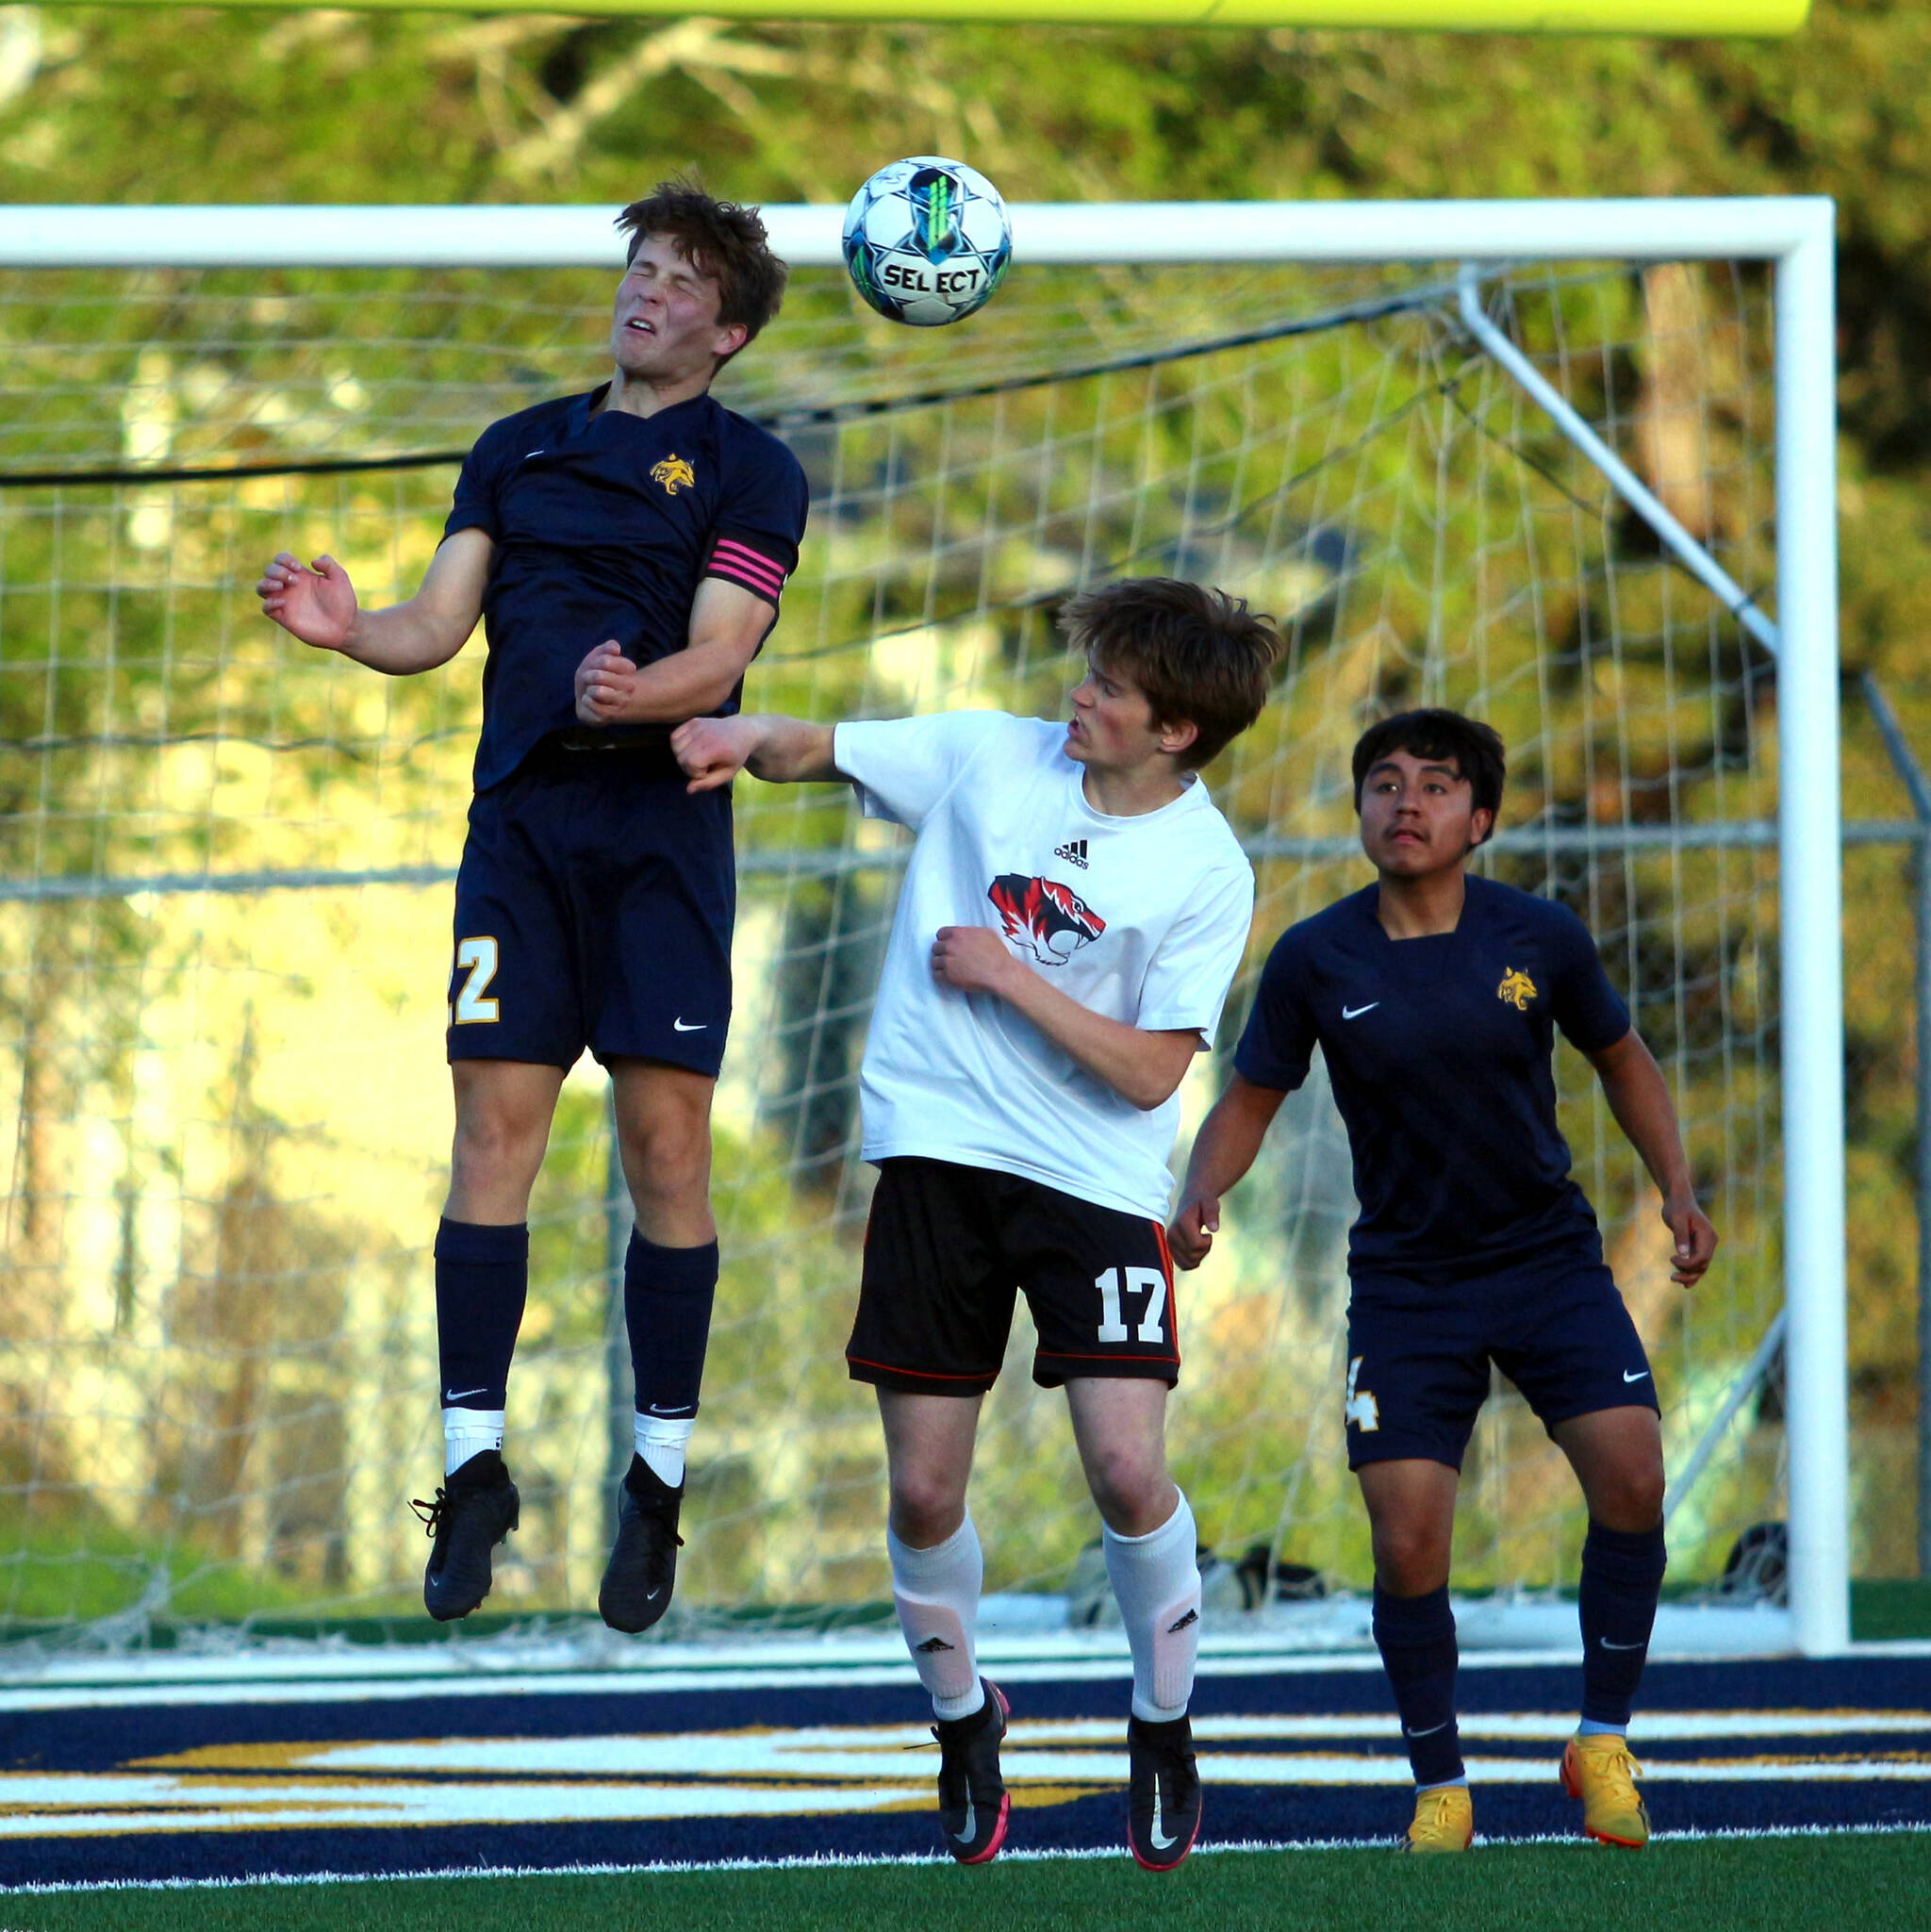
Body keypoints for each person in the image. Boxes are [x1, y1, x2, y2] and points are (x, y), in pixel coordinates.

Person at [256, 182, 808, 1632]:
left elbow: (720, 657)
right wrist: (347, 629)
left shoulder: (751, 470)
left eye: (684, 284)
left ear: (729, 332)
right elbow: (435, 629)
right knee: (490, 1133)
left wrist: (648, 692)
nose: (649, 295)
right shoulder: (517, 446)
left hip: (659, 839)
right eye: (641, 269)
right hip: (520, 833)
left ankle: (657, 1486)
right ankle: (472, 1472)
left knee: (663, 1144)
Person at [671, 578, 1279, 1870]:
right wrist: (740, 736)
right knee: (924, 1485)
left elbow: (1149, 1074)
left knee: (1123, 1469)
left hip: (1096, 1188)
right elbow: (814, 747)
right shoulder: (990, 756)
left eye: (1111, 688)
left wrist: (1005, 975)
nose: (1081, 696)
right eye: (1090, 672)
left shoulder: (1207, 867)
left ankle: (1162, 1723)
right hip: (936, 1166)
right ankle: (963, 1722)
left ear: (1175, 732)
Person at [1170, 708, 1717, 1855]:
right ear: (1360, 808)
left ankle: (1601, 1740)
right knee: (1408, 1536)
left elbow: (1620, 1057)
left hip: (1544, 1262)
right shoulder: (1316, 955)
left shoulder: (1540, 937)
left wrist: (1673, 1188)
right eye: (1382, 782)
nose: (1403, 802)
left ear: (1479, 819)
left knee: (1630, 1473)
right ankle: (1439, 1784)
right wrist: (1199, 1193)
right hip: (1408, 1286)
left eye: (1432, 785)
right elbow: (1251, 1096)